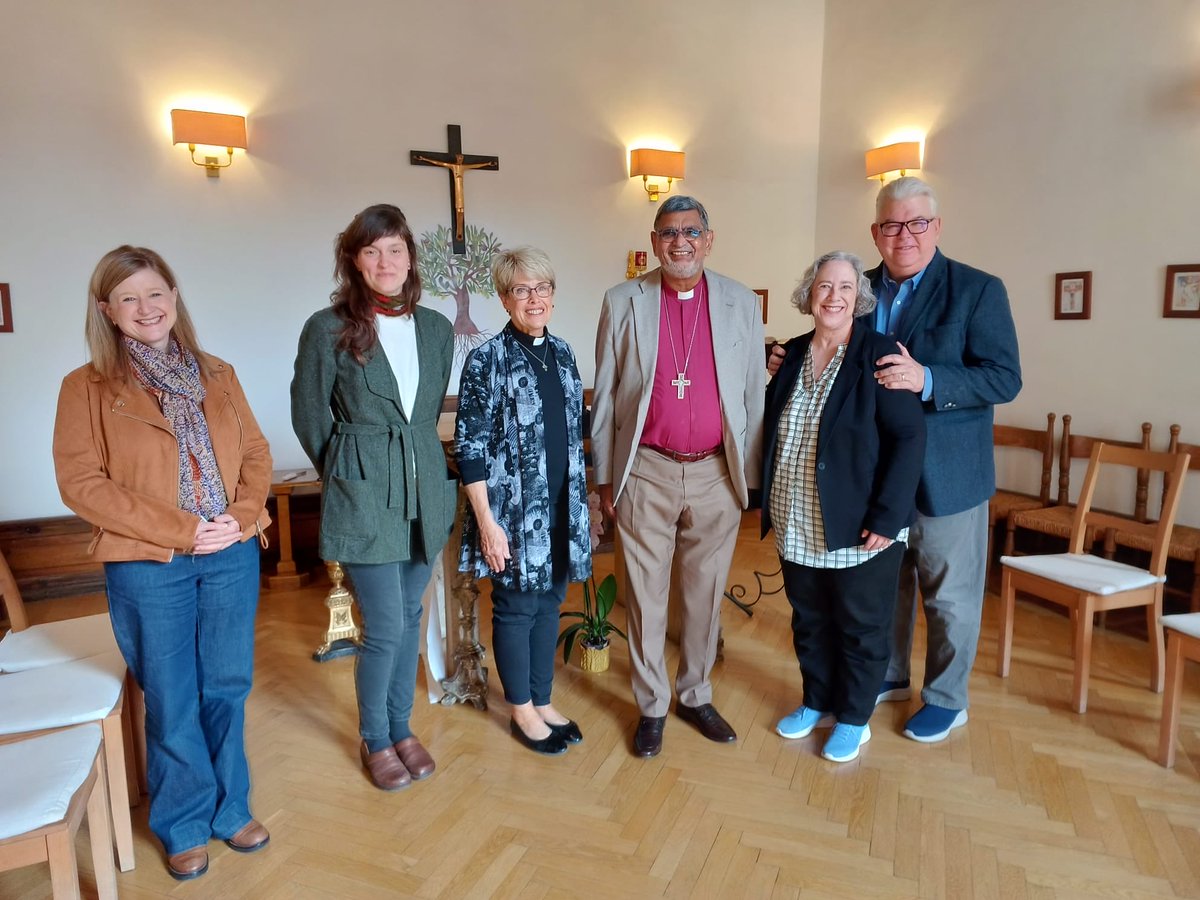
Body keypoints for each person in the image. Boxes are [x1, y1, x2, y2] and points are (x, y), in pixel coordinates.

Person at [53, 246, 273, 880]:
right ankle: (182, 821)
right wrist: (182, 530)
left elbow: (256, 452)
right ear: (107, 311)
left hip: (231, 552)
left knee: (226, 686)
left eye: (155, 294)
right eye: (128, 298)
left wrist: (244, 512)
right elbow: (82, 484)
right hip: (150, 563)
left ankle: (232, 809)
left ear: (174, 299)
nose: (145, 309)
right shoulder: (87, 387)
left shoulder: (217, 372)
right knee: (172, 695)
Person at [592, 195, 765, 758]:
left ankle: (695, 693)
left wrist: (752, 478)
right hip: (646, 470)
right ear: (654, 239)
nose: (680, 241)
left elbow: (752, 397)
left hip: (717, 471)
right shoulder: (624, 301)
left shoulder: (740, 302)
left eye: (691, 231)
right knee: (646, 597)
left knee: (704, 594)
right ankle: (651, 705)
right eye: (669, 232)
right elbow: (608, 393)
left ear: (709, 239)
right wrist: (603, 479)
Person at [291, 203, 457, 791]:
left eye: (395, 249)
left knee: (411, 616)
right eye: (371, 251)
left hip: (425, 490)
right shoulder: (328, 327)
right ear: (354, 261)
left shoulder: (437, 328)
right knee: (385, 624)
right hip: (365, 491)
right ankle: (376, 736)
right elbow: (310, 417)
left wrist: (410, 461)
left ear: (411, 256)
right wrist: (349, 469)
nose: (385, 261)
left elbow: (427, 410)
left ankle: (402, 728)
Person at [762, 251, 925, 763]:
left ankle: (854, 717)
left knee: (861, 626)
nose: (834, 296)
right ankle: (817, 702)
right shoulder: (787, 355)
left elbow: (909, 438)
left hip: (859, 525)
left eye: (845, 288)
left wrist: (888, 516)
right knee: (810, 620)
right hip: (796, 516)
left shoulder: (879, 354)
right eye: (824, 286)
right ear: (809, 294)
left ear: (860, 299)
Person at [455, 247, 591, 755]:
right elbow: (468, 448)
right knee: (515, 607)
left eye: (542, 288)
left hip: (561, 507)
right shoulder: (487, 358)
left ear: (553, 295)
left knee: (551, 602)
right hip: (510, 513)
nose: (534, 299)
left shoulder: (564, 353)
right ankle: (520, 710)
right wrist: (487, 523)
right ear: (505, 298)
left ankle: (542, 698)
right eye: (521, 290)